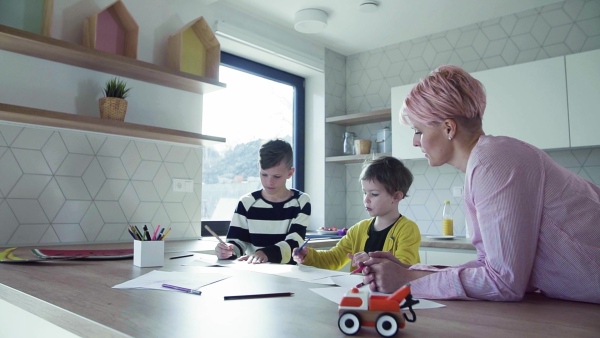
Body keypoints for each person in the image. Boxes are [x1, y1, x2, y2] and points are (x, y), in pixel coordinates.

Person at [360, 65, 600, 304]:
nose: (414, 142)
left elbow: (504, 282)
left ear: (448, 128)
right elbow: (492, 267)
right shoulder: (485, 163)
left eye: (418, 130)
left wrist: (407, 280)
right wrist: (413, 272)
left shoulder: (492, 162)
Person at [293, 156, 420, 271]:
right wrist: (308, 255)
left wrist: (370, 262)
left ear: (396, 196)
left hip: (393, 296)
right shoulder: (358, 230)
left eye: (374, 194)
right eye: (365, 192)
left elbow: (405, 268)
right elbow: (333, 259)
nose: (366, 199)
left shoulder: (407, 229)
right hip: (361, 294)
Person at [215, 139, 311, 264]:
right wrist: (227, 251)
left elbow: (294, 243)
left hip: (289, 275)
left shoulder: (301, 201)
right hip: (254, 274)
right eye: (264, 174)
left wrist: (264, 253)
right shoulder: (246, 203)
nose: (269, 182)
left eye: (276, 176)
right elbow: (237, 243)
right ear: (258, 168)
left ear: (290, 173)